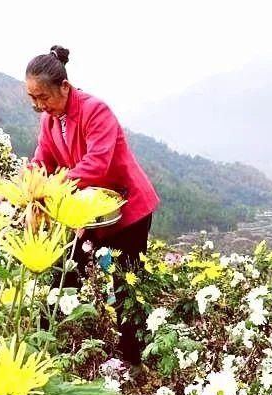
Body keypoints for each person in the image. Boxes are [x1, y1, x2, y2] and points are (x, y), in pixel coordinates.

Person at [25, 45, 160, 365]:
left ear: (65, 88)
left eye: (43, 97)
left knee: (127, 284)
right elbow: (42, 160)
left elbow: (96, 164)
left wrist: (52, 188)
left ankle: (135, 361)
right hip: (89, 211)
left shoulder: (95, 110)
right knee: (63, 269)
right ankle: (46, 348)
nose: (38, 105)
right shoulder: (50, 120)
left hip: (126, 211)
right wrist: (26, 187)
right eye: (32, 98)